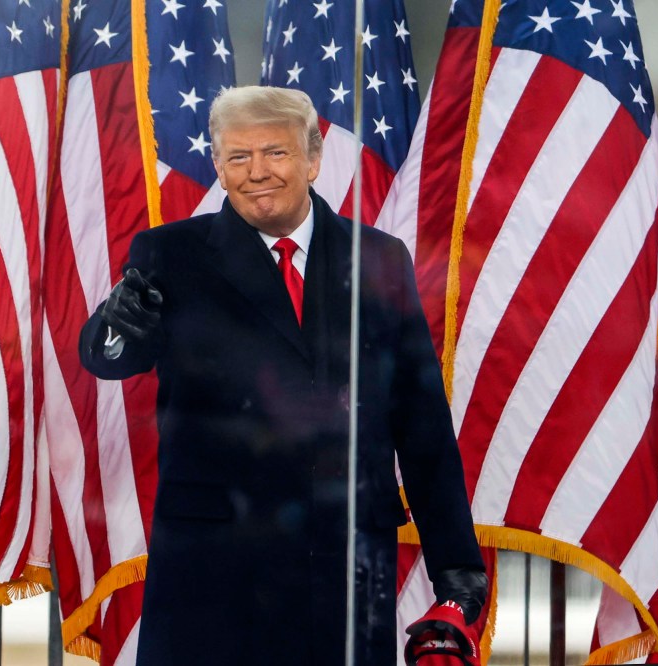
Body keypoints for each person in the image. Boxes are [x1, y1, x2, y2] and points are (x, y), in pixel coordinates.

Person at [79, 85, 486, 665]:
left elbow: (422, 428)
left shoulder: (379, 258)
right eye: (238, 157)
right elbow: (109, 359)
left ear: (313, 160)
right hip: (215, 569)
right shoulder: (169, 254)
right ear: (217, 165)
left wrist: (457, 572)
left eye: (275, 152)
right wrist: (116, 328)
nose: (256, 172)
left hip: (345, 565)